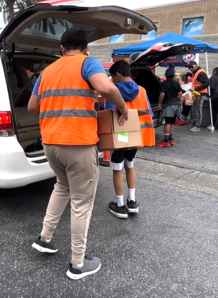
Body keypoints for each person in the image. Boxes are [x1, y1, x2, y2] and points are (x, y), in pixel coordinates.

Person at [27, 28, 129, 280]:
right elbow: (106, 88)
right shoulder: (87, 63)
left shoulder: (46, 72)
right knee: (82, 203)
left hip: (51, 143)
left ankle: (45, 238)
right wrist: (123, 107)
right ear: (85, 49)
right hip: (78, 144)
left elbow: (32, 106)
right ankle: (77, 263)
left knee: (62, 187)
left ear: (61, 49)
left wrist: (56, 111)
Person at [103, 60, 154, 219]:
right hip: (136, 136)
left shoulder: (112, 91)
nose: (112, 80)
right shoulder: (142, 91)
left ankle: (120, 206)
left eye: (112, 77)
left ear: (117, 75)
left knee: (117, 168)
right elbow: (149, 114)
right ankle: (132, 202)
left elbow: (108, 117)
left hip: (121, 136)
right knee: (130, 165)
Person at [157, 65, 184, 147]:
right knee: (172, 122)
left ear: (166, 75)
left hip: (168, 106)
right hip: (176, 105)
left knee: (167, 123)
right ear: (173, 75)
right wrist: (181, 105)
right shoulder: (176, 83)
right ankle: (171, 140)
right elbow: (180, 95)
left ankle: (165, 141)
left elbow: (162, 95)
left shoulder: (163, 84)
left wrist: (159, 103)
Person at [187, 61, 210, 132]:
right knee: (195, 109)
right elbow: (197, 80)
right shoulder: (196, 72)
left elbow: (207, 83)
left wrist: (195, 88)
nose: (191, 68)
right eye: (189, 67)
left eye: (192, 67)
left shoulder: (200, 73)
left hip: (201, 94)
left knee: (198, 109)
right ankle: (195, 123)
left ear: (196, 65)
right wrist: (188, 74)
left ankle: (198, 126)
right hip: (197, 93)